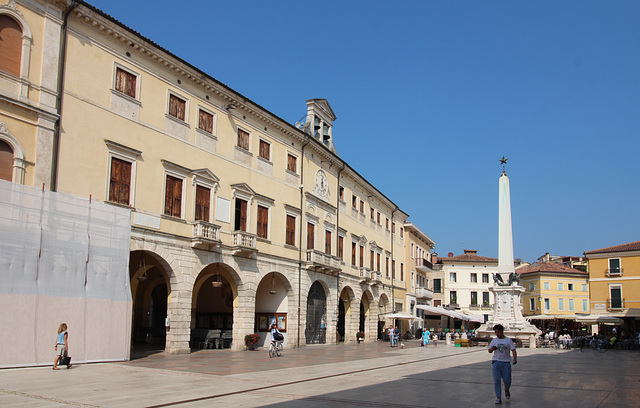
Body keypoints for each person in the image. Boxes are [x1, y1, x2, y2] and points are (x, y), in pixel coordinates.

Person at [488, 324, 517, 404]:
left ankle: (507, 389)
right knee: (496, 380)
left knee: (507, 380)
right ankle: (498, 397)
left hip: (506, 362)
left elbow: (513, 350)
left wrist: (514, 359)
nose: (497, 334)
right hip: (496, 362)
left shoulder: (508, 340)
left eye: (498, 332)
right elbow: (489, 350)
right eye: (496, 332)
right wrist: (492, 349)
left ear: (502, 331)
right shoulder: (494, 340)